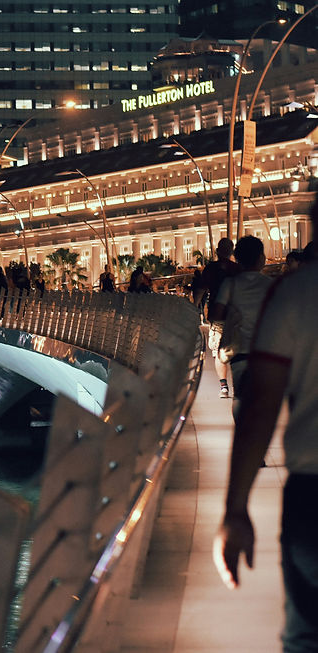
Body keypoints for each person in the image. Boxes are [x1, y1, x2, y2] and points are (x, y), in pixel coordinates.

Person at [213, 203, 318, 651]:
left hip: (313, 487)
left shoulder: (295, 294)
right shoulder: (280, 288)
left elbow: (260, 408)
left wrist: (235, 510)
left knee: (307, 634)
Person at [207, 236, 273, 415]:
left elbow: (217, 314)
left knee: (239, 396)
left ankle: (241, 428)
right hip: (263, 350)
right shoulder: (270, 284)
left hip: (238, 349)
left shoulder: (230, 284)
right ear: (261, 258)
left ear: (237, 258)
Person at [195, 237, 241, 398]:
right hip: (235, 315)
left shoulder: (210, 269)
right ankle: (237, 386)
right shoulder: (237, 269)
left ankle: (224, 387)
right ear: (232, 251)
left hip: (217, 315)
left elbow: (201, 289)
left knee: (218, 350)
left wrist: (195, 307)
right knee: (236, 349)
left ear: (217, 251)